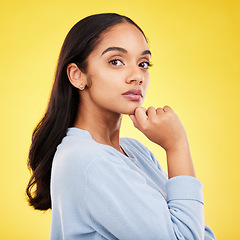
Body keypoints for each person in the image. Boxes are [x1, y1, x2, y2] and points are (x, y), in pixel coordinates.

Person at [26, 13, 216, 240]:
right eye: (116, 61)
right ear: (78, 75)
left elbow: (194, 229)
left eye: (143, 63)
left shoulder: (135, 151)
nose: (137, 76)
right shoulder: (89, 160)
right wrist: (177, 146)